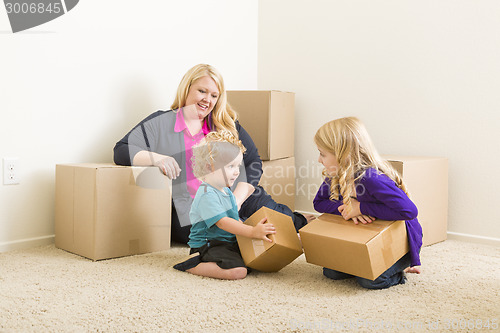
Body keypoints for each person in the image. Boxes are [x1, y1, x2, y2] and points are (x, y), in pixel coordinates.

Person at [113, 64, 309, 244]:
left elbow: (253, 163)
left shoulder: (226, 124)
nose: (208, 99)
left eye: (214, 95)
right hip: (194, 206)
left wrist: (236, 201)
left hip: (235, 196)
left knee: (283, 223)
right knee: (225, 237)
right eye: (202, 91)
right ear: (186, 88)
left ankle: (300, 219)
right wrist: (158, 159)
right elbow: (121, 150)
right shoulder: (161, 122)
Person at [313, 117, 422, 289]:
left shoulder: (371, 179)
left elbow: (409, 211)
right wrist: (348, 209)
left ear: (343, 155)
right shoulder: (334, 175)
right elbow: (319, 203)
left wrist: (362, 207)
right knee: (331, 272)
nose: (319, 160)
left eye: (322, 154)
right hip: (364, 237)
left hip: (400, 242)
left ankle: (400, 271)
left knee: (370, 281)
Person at [173, 131, 275, 279]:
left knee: (256, 260)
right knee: (238, 271)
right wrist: (252, 232)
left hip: (227, 241)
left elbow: (234, 218)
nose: (236, 172)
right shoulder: (207, 194)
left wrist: (251, 231)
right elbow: (223, 223)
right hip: (208, 245)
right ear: (209, 167)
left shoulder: (226, 192)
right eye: (230, 166)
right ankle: (191, 265)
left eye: (238, 166)